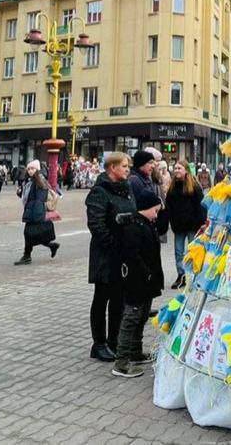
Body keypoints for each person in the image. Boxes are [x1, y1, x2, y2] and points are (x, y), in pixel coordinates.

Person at [111, 167, 164, 379]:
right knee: (131, 318)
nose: (157, 213)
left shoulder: (146, 223)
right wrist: (146, 273)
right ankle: (121, 362)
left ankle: (135, 351)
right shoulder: (134, 227)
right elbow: (133, 256)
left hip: (147, 281)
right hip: (137, 281)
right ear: (145, 208)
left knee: (141, 316)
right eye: (155, 209)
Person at [86, 152, 134, 362]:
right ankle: (99, 343)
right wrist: (114, 243)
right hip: (105, 254)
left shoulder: (127, 189)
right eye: (124, 166)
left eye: (128, 166)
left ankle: (114, 340)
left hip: (123, 254)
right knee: (102, 298)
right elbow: (96, 224)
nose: (127, 169)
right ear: (112, 167)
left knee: (119, 299)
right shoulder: (100, 191)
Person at [164, 159, 206, 290]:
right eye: (175, 168)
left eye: (179, 168)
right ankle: (181, 275)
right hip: (179, 226)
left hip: (193, 225)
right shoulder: (172, 186)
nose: (176, 171)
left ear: (186, 171)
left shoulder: (194, 186)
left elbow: (201, 205)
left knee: (192, 251)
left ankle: (193, 276)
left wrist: (203, 223)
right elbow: (169, 205)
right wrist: (170, 221)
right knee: (178, 252)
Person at [15, 160, 59, 265]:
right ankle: (51, 246)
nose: (30, 171)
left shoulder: (40, 181)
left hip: (35, 212)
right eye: (29, 169)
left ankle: (27, 256)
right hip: (31, 210)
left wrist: (36, 214)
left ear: (37, 169)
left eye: (32, 169)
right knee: (33, 234)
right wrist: (20, 193)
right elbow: (28, 197)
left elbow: (40, 199)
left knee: (29, 234)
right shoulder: (30, 181)